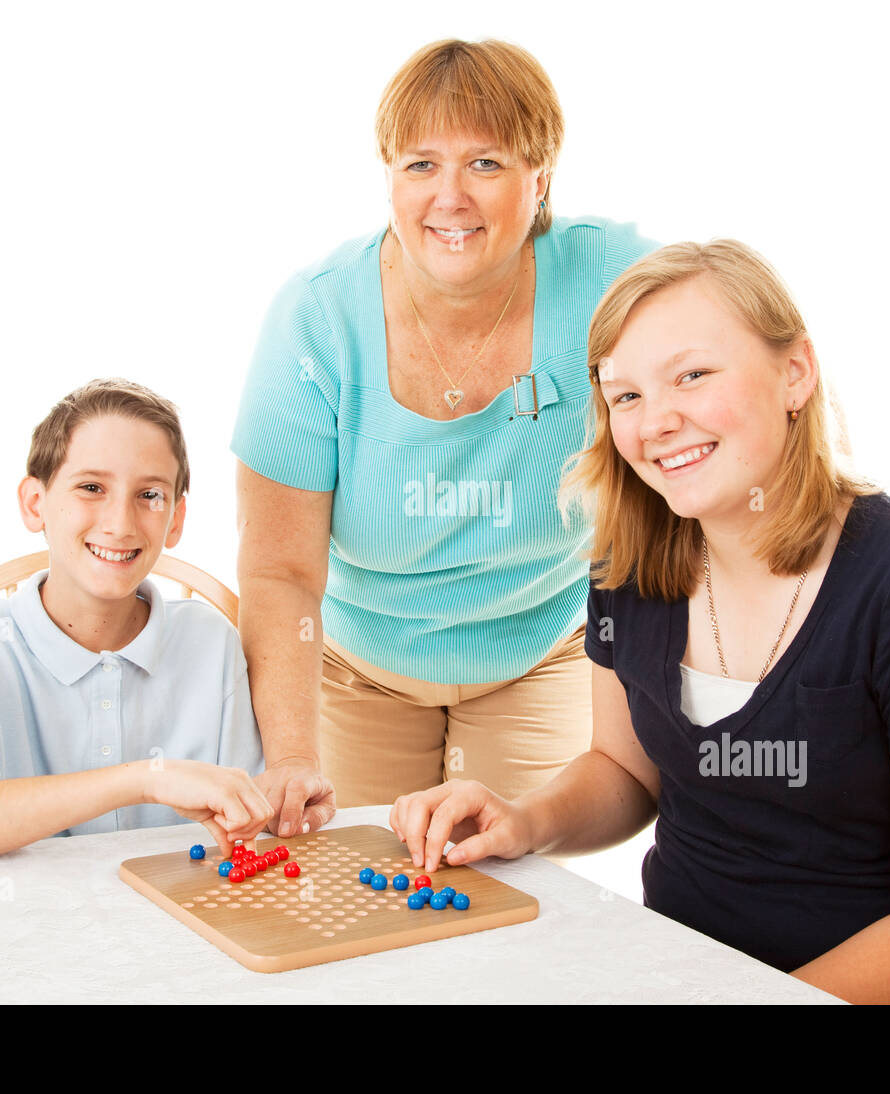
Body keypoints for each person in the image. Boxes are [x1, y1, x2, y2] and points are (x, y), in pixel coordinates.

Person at [389, 241, 890, 1004]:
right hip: (676, 976)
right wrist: (525, 820)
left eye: (692, 375)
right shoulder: (626, 568)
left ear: (795, 372)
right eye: (623, 396)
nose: (656, 421)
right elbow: (626, 773)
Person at [233, 39, 659, 836]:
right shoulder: (316, 318)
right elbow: (280, 571)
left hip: (538, 650)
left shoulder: (614, 281)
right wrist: (291, 754)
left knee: (500, 891)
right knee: (364, 902)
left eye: (487, 164)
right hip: (360, 665)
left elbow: (733, 359)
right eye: (420, 165)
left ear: (542, 178)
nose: (450, 197)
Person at [0, 379, 272, 863]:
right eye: (91, 488)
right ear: (36, 504)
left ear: (176, 519)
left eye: (150, 495)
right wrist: (142, 779)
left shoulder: (211, 644)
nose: (120, 523)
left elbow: (251, 823)